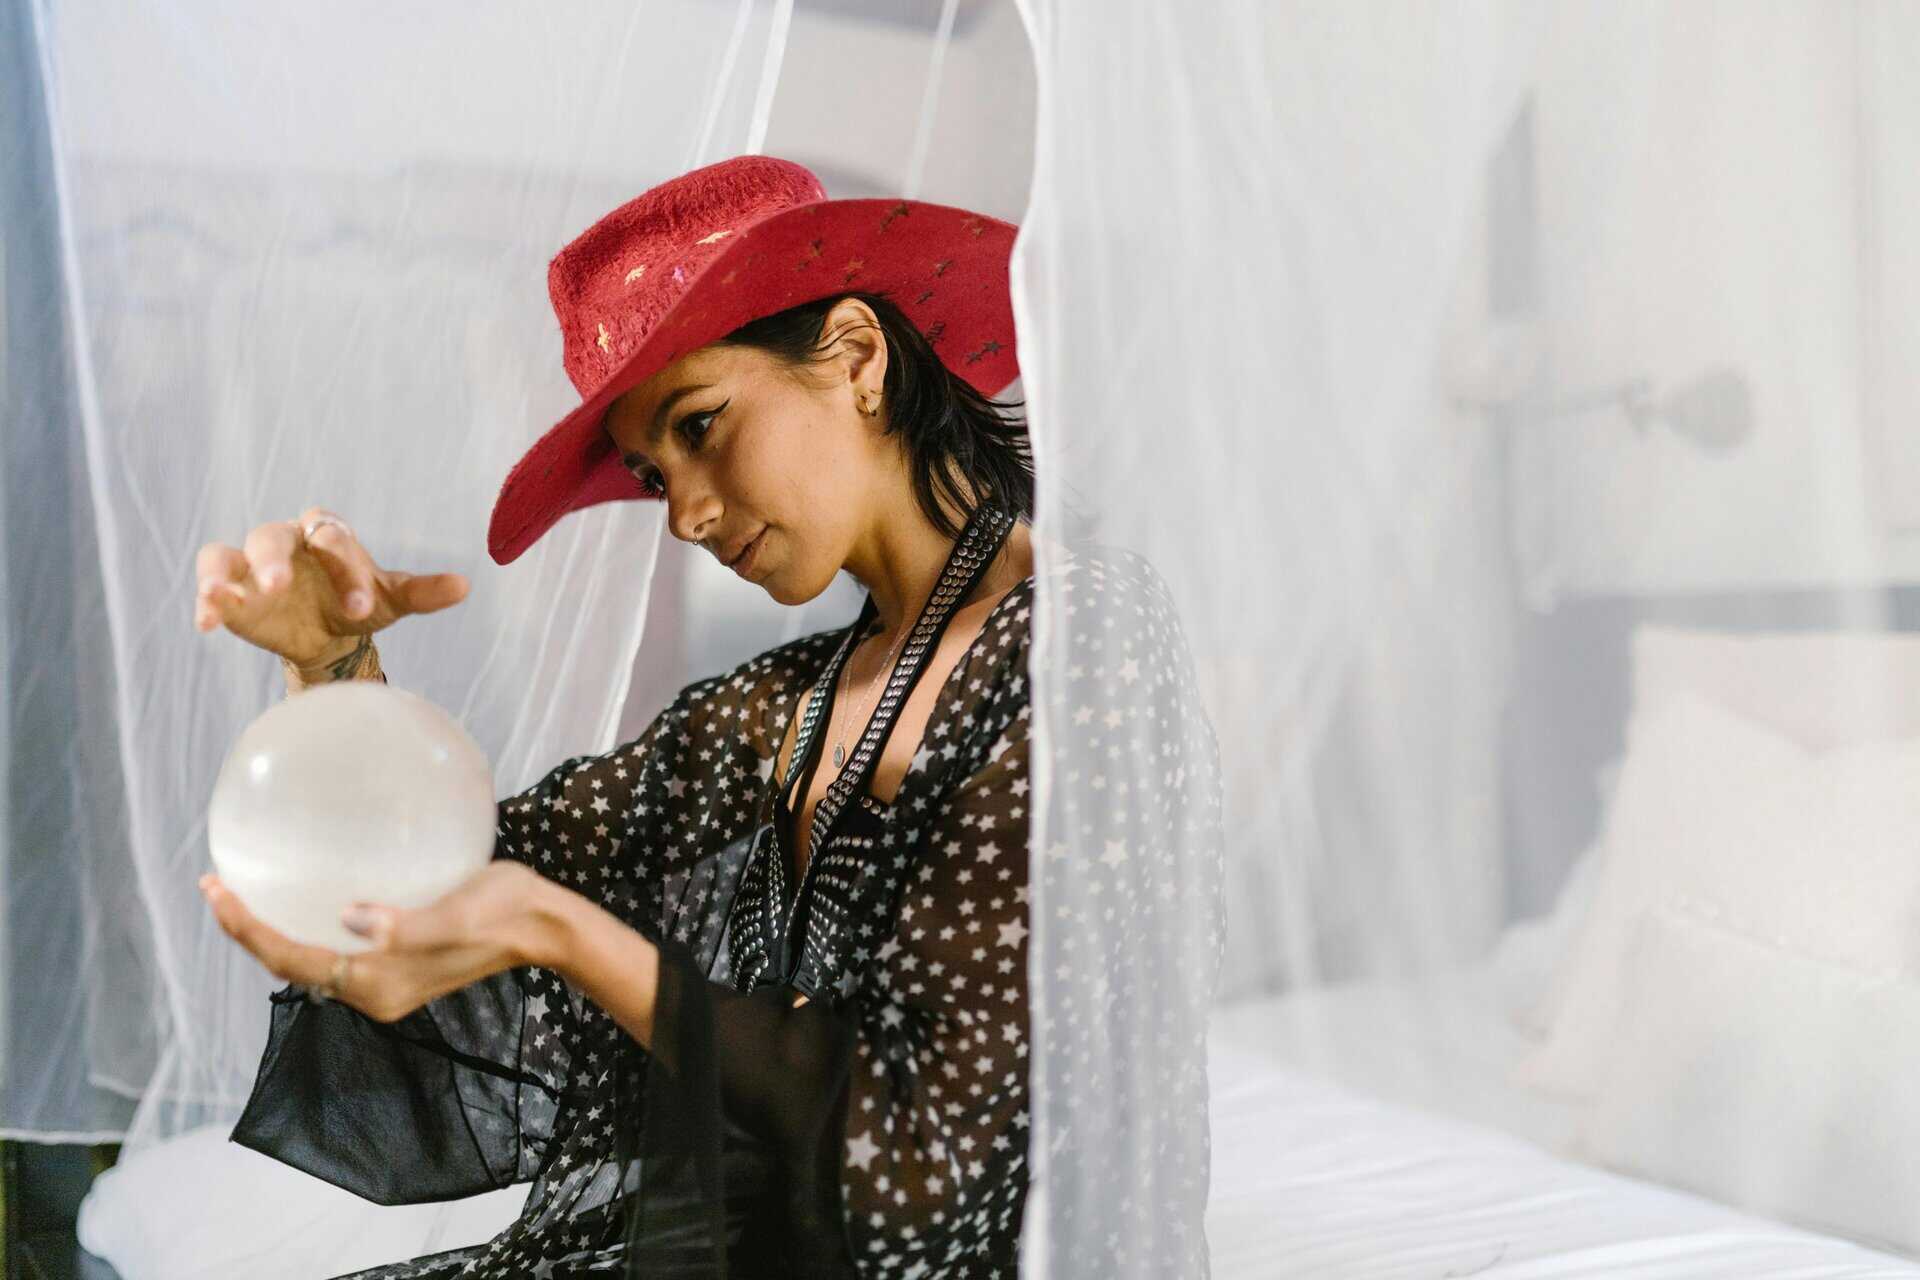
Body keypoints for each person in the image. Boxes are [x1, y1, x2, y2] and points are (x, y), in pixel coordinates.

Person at [193, 155, 1223, 1278]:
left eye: (701, 424)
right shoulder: (789, 702)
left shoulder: (1091, 638)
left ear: (857, 357)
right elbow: (463, 869)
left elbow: (927, 1170)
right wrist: (334, 658)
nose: (681, 512)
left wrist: (563, 932)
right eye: (650, 472)